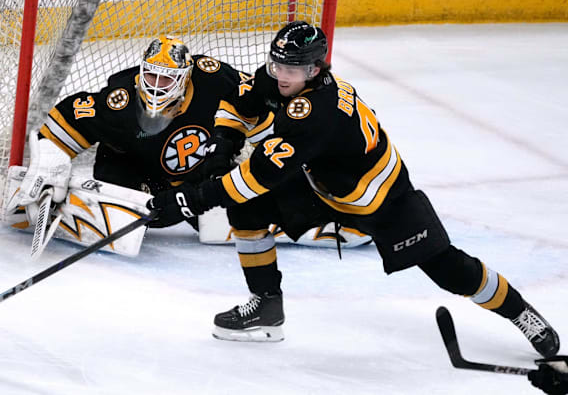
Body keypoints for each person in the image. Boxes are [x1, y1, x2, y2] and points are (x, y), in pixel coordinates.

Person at [146, 21, 561, 358]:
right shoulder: (282, 79)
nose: (280, 75)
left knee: (450, 269)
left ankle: (521, 313)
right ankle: (267, 306)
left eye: (290, 69)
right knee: (246, 210)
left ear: (315, 69)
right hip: (322, 186)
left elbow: (258, 176)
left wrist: (190, 199)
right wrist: (223, 142)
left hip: (381, 199)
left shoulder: (317, 112)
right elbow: (241, 102)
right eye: (276, 65)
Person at [6, 35, 367, 256]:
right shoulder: (118, 99)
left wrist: (275, 154)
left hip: (198, 179)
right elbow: (63, 121)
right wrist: (51, 165)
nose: (157, 85)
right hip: (133, 170)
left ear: (186, 75)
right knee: (122, 224)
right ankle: (62, 205)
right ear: (139, 72)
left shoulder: (212, 78)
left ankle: (324, 222)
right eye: (150, 75)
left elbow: (257, 103)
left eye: (168, 78)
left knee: (216, 225)